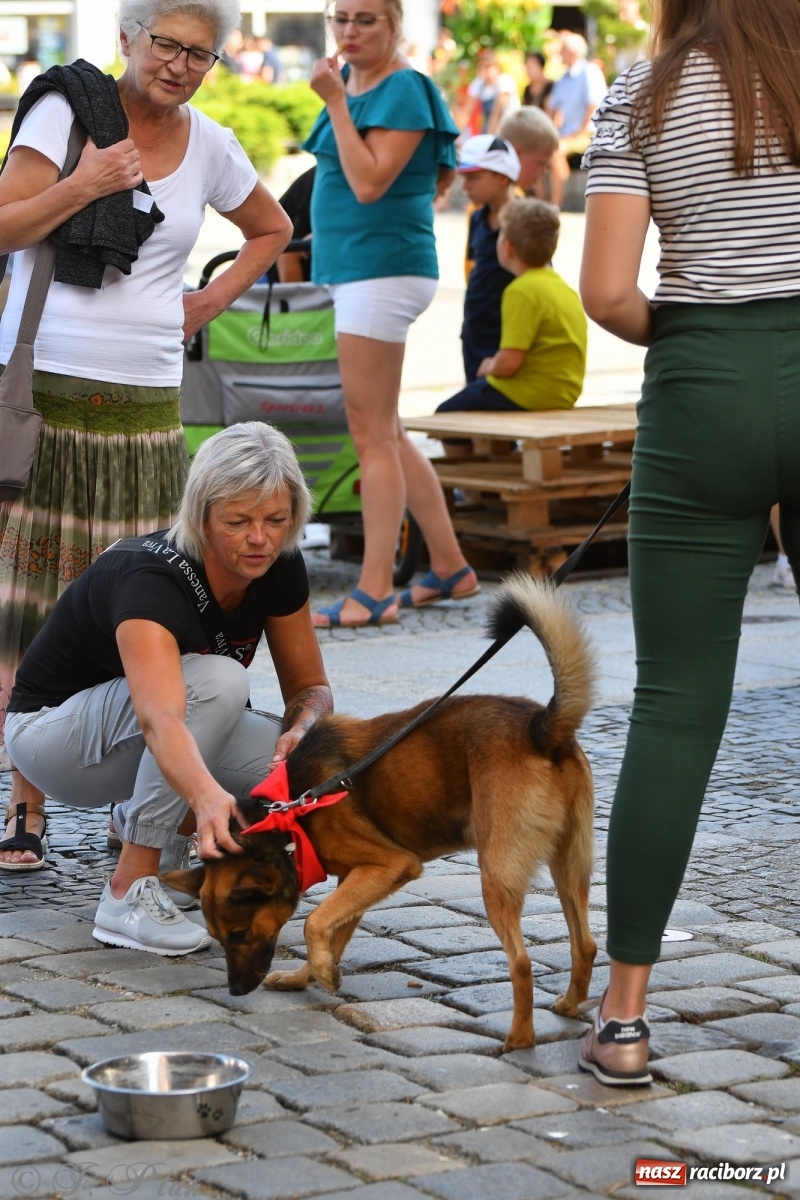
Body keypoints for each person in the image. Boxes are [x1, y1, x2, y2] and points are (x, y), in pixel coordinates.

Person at [0, 0, 293, 870]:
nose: (179, 64)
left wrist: (210, 300)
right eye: (164, 43)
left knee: (152, 614)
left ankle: (157, 811)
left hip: (147, 414)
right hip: (48, 397)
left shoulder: (207, 142)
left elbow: (272, 227)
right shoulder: (63, 111)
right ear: (126, 38)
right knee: (29, 610)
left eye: (200, 53)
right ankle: (26, 806)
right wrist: (87, 185)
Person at [578, 0, 800, 1087]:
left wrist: (700, 332)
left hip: (698, 387)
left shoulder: (642, 90)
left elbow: (608, 292)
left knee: (673, 709)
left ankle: (623, 1018)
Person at [4, 422, 332, 954]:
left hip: (140, 732)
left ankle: (174, 860)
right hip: (51, 741)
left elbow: (311, 687)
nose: (260, 539)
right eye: (238, 521)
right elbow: (160, 717)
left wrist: (304, 729)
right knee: (220, 679)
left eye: (276, 520)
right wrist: (206, 800)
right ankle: (128, 888)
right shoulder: (150, 576)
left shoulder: (280, 563)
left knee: (318, 763)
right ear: (200, 516)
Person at [303, 0, 479, 624]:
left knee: (370, 433)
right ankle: (451, 565)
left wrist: (332, 103)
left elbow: (370, 182)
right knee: (387, 430)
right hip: (362, 269)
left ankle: (374, 588)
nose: (349, 31)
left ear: (396, 23)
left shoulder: (403, 87)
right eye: (340, 18)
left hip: (381, 272)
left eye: (366, 19)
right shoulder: (355, 81)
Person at [436, 197, 586, 455]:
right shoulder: (562, 287)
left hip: (528, 393)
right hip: (563, 391)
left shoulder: (520, 290)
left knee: (445, 417)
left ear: (506, 247)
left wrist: (488, 367)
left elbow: (510, 361)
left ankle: (472, 491)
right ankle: (496, 471)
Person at [457, 134, 520, 382]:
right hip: (475, 332)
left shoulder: (523, 221)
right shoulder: (476, 219)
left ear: (502, 177)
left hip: (507, 336)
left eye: (473, 178)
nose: (465, 187)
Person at [546, 32, 607, 208]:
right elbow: (553, 107)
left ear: (573, 51)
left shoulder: (589, 71)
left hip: (587, 133)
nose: (559, 53)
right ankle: (542, 201)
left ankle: (555, 204)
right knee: (539, 147)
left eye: (562, 49)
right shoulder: (563, 77)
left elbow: (593, 105)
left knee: (556, 151)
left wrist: (578, 131)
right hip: (567, 133)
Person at [498, 106, 559, 194]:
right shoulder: (494, 200)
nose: (544, 171)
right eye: (541, 163)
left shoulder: (513, 195)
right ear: (515, 154)